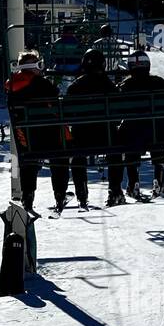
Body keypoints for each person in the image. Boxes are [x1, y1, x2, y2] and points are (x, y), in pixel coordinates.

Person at [117, 47, 164, 196]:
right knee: (158, 134)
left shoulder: (124, 87)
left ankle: (133, 183)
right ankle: (159, 180)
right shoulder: (162, 84)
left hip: (132, 132)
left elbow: (119, 114)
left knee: (129, 140)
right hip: (159, 130)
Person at [7, 51, 62, 213]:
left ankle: (28, 196)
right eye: (38, 65)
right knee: (59, 156)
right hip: (49, 135)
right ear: (32, 67)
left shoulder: (12, 85)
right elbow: (55, 95)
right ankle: (60, 193)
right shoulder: (41, 83)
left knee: (28, 161)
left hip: (26, 138)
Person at [63, 48, 115, 208]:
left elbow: (66, 114)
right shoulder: (109, 85)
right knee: (115, 153)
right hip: (107, 136)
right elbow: (119, 112)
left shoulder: (75, 86)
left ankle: (82, 194)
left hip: (81, 137)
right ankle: (115, 190)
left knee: (77, 157)